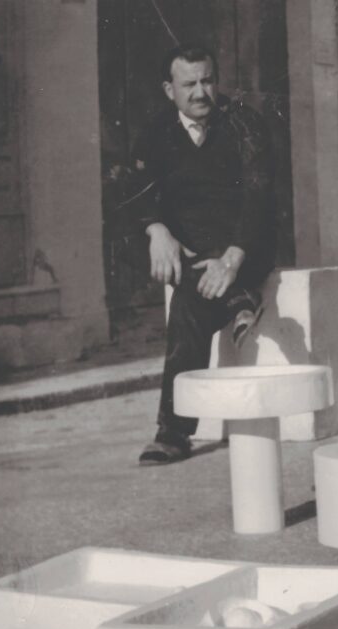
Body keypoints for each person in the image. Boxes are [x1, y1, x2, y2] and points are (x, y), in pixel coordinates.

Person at [131, 44, 277, 466]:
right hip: (193, 253)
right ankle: (239, 302)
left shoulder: (244, 124)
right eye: (189, 83)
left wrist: (233, 258)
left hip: (245, 246)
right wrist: (155, 228)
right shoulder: (156, 133)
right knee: (193, 277)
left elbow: (259, 196)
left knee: (188, 305)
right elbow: (130, 192)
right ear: (168, 89)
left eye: (207, 80)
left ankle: (172, 433)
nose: (200, 92)